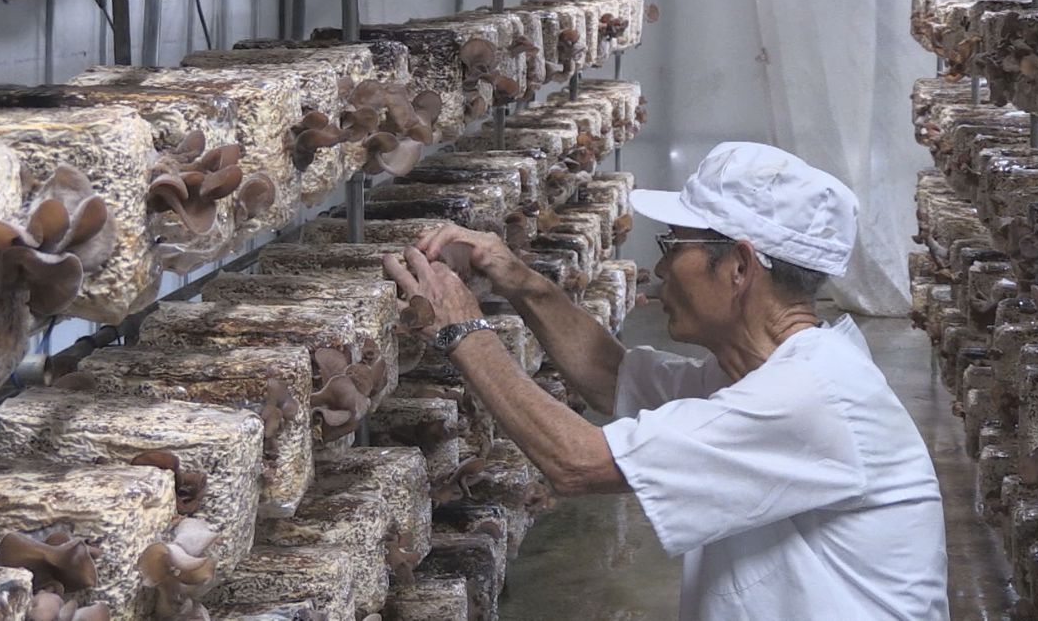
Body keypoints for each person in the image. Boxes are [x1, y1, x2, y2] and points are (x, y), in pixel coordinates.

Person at [382, 142, 949, 620]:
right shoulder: (768, 374)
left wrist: (462, 330)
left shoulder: (810, 398)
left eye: (672, 247)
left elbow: (577, 462)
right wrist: (518, 279)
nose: (658, 270)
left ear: (739, 268)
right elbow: (612, 379)